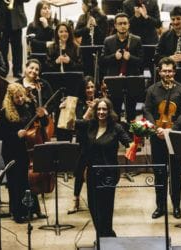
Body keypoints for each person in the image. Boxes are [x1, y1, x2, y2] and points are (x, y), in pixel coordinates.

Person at [75, 97, 131, 236]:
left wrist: (137, 138)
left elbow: (128, 143)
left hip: (108, 174)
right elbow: (72, 124)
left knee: (105, 208)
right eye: (98, 109)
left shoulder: (116, 127)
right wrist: (86, 109)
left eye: (104, 109)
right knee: (93, 207)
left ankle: (106, 236)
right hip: (92, 172)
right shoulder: (91, 125)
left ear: (109, 111)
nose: (101, 112)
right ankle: (103, 236)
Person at [144, 57, 181, 219]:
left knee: (175, 173)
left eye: (170, 70)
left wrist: (171, 129)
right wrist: (156, 128)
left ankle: (176, 206)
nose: (167, 73)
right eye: (164, 70)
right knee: (159, 172)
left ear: (174, 71)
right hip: (157, 136)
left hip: (175, 136)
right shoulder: (152, 90)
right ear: (159, 72)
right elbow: (147, 111)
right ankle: (160, 206)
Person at [0, 83, 46, 223]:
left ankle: (33, 210)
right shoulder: (5, 112)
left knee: (28, 181)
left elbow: (41, 124)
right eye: (16, 97)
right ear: (10, 98)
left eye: (21, 96)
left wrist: (42, 116)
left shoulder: (28, 107)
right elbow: (1, 133)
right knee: (15, 182)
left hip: (26, 149)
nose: (20, 99)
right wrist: (16, 134)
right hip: (11, 151)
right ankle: (17, 212)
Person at [100, 12, 143, 122]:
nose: (122, 26)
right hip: (114, 81)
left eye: (125, 23)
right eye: (120, 23)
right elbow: (102, 61)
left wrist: (131, 58)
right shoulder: (108, 41)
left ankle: (130, 137)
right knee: (115, 112)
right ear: (115, 25)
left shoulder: (136, 40)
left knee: (131, 112)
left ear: (129, 25)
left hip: (131, 80)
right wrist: (114, 56)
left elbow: (142, 62)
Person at [66, 76, 98, 213]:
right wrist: (89, 111)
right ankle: (75, 199)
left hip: (97, 142)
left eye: (92, 87)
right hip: (83, 141)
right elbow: (77, 124)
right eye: (87, 87)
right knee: (79, 171)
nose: (90, 90)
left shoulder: (100, 101)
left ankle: (96, 200)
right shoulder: (78, 103)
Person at [0, 0, 30, 78]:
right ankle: (3, 70)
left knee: (17, 48)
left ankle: (17, 71)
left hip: (16, 20)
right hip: (1, 20)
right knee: (2, 48)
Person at [75, 0, 108, 76]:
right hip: (85, 49)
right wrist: (87, 28)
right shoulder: (82, 17)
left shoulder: (102, 17)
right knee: (87, 72)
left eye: (83, 4)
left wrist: (95, 26)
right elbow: (76, 33)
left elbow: (103, 36)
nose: (82, 7)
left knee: (99, 72)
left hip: (98, 49)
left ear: (88, 5)